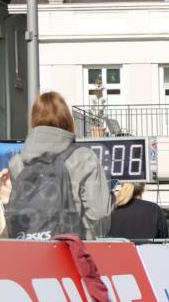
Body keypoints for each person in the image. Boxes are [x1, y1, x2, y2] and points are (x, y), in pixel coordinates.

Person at [8, 92, 112, 239]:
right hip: (72, 250)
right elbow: (99, 212)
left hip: (29, 249)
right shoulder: (83, 157)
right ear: (67, 119)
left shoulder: (17, 162)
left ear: (33, 121)